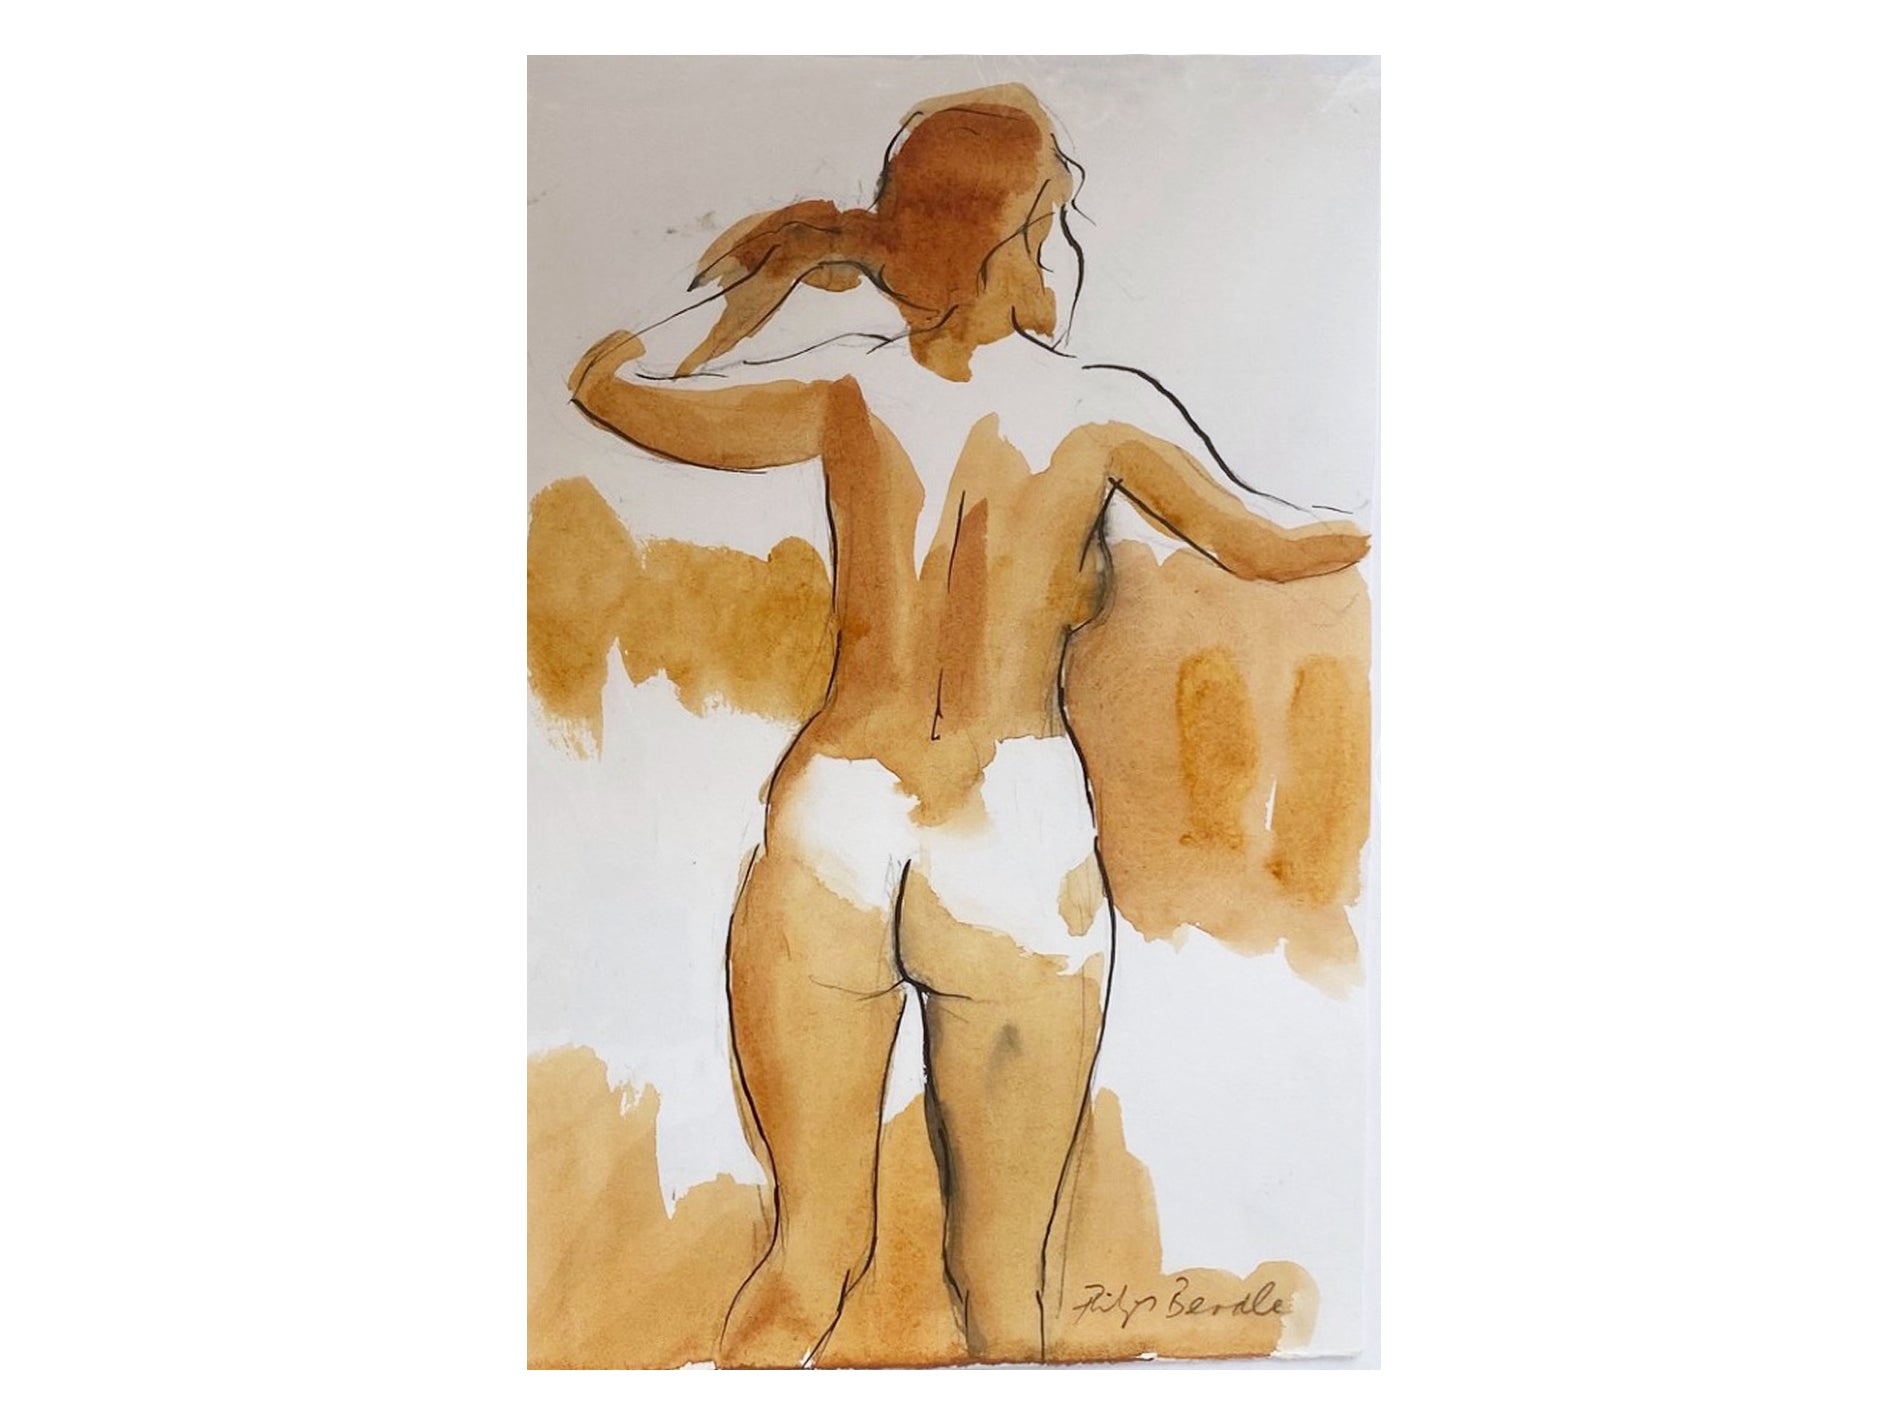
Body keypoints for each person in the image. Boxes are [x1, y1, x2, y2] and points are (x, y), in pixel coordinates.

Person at [566, 84, 1369, 1367]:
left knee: (805, 1262)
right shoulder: (1103, 410)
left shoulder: (844, 388)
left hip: (836, 818)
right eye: (1055, 215)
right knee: (1005, 1294)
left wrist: (799, 259)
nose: (1067, 242)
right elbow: (1276, 545)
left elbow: (610, 386)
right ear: (1017, 237)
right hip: (1013, 831)